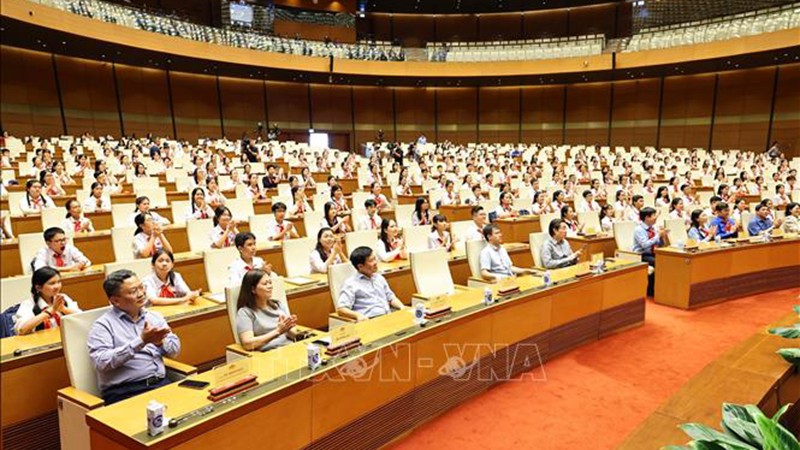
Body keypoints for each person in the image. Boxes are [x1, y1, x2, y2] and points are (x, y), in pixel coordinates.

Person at [88, 269, 180, 405]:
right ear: (115, 301)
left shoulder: (154, 317)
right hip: (126, 392)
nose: (141, 294)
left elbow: (175, 351)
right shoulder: (103, 325)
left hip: (161, 384)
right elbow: (101, 362)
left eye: (141, 287)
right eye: (133, 291)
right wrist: (141, 341)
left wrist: (161, 343)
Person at [235, 269, 299, 351]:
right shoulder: (245, 312)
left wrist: (288, 327)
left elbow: (293, 333)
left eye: (270, 283)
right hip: (269, 355)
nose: (270, 286)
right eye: (265, 284)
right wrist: (278, 331)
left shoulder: (278, 305)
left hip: (291, 348)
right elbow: (248, 344)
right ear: (253, 289)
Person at [337, 246, 405, 321]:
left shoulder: (379, 278)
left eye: (375, 258)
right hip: (369, 320)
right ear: (360, 266)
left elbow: (391, 298)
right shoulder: (351, 284)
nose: (375, 263)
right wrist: (358, 315)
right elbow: (341, 309)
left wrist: (402, 307)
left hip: (387, 316)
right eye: (371, 260)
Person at [14, 267, 82, 335]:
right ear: (38, 287)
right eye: (52, 283)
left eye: (59, 282)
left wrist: (63, 309)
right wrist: (51, 310)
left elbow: (82, 318)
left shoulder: (63, 298)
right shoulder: (29, 304)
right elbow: (21, 330)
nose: (57, 286)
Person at [632, 207, 668, 297]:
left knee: (668, 260)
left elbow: (660, 244)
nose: (656, 217)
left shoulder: (653, 228)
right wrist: (657, 236)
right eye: (654, 215)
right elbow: (644, 245)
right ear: (647, 217)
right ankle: (651, 290)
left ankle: (664, 288)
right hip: (641, 254)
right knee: (657, 262)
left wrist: (662, 237)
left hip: (653, 252)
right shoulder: (638, 229)